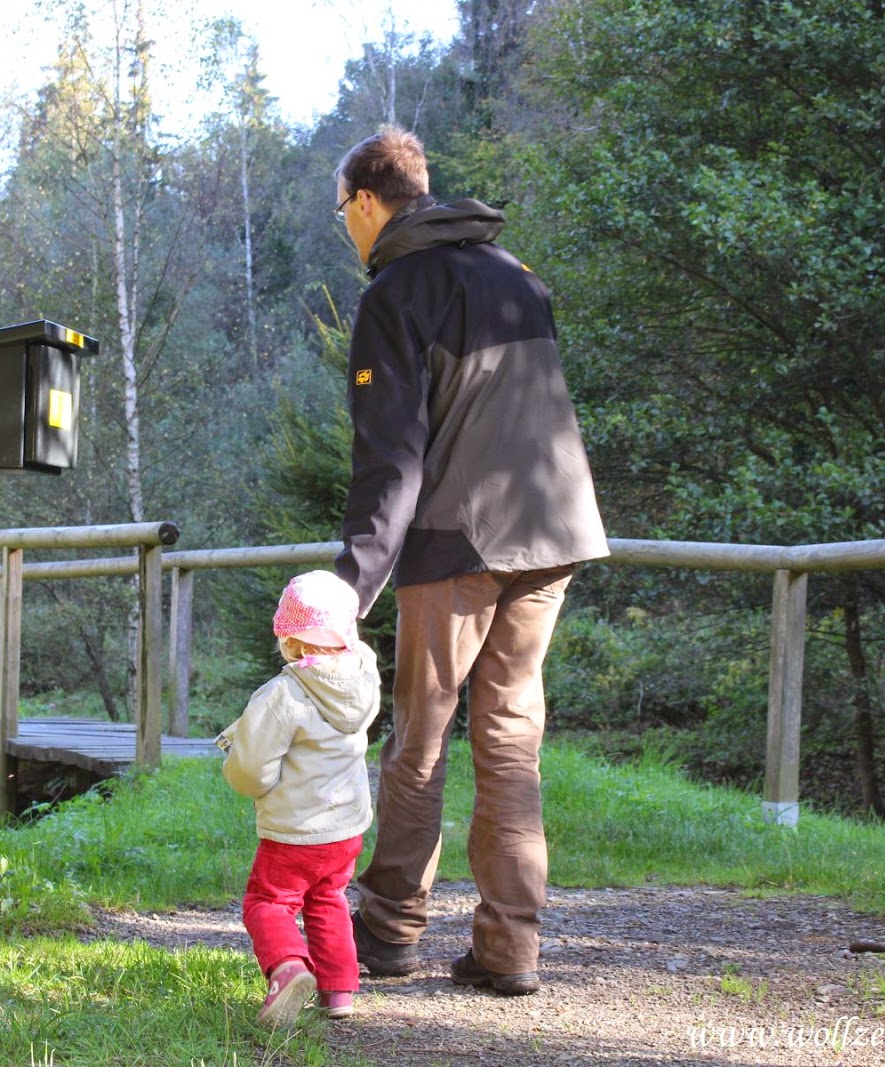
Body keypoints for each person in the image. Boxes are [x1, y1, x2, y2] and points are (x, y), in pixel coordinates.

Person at [330, 125, 609, 997]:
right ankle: (510, 947)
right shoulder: (518, 276)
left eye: (344, 210)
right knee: (510, 738)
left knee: (419, 736)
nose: (346, 225)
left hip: (461, 541)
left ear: (368, 202)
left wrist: (349, 588)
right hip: (555, 530)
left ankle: (387, 929)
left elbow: (393, 459)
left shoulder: (396, 294)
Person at [217, 570, 382, 1028]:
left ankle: (288, 967)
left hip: (296, 831)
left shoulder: (282, 694)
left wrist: (242, 773)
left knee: (267, 902)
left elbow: (251, 769)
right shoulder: (363, 674)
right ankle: (339, 991)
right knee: (328, 898)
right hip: (347, 827)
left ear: (288, 639)